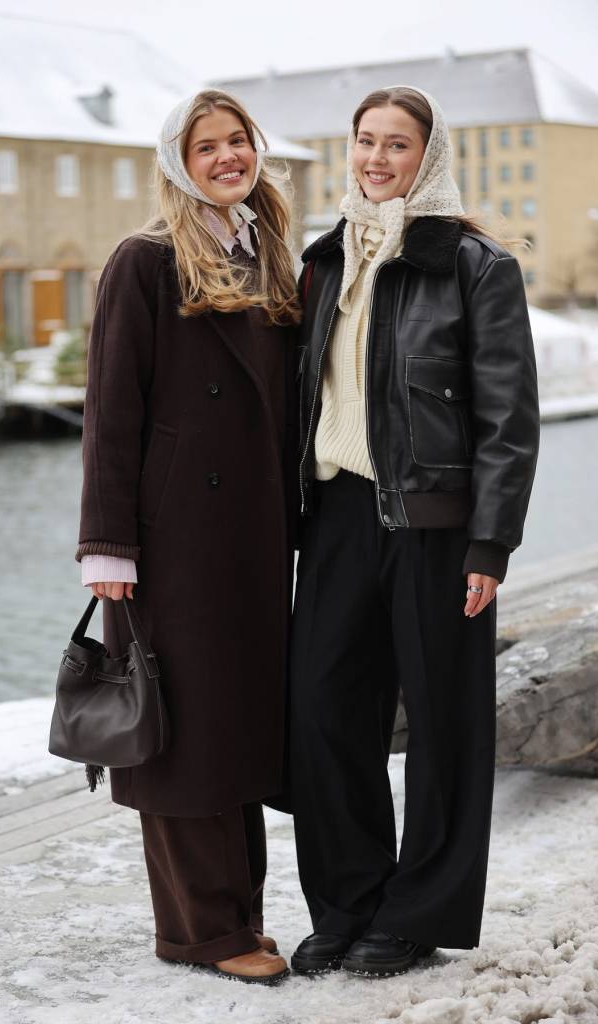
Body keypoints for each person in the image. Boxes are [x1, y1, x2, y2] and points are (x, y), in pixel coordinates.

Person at [289, 86, 540, 978]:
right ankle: (347, 903)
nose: (376, 159)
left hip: (435, 524)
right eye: (365, 141)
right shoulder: (324, 259)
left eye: (396, 144)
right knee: (323, 712)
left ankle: (418, 912)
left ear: (427, 157)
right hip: (336, 517)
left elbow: (507, 420)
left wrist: (489, 545)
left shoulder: (473, 265)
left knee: (443, 723)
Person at [76, 89, 301, 985]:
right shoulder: (145, 259)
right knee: (182, 737)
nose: (226, 157)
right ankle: (201, 932)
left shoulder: (265, 252)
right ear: (178, 161)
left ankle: (238, 915)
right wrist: (107, 547)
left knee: (235, 727)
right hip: (170, 543)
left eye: (236, 140)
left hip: (251, 536)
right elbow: (110, 408)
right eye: (205, 146)